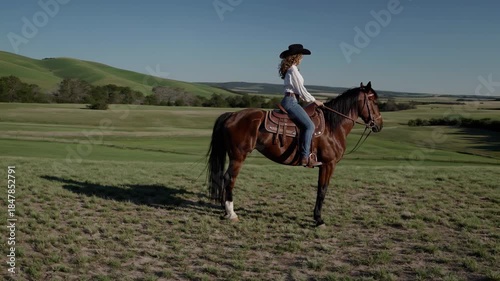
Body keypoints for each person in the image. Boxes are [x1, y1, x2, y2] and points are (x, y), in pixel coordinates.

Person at [278, 44, 323, 168]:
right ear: (297, 57)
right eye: (301, 56)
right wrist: (314, 101)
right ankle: (305, 157)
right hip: (291, 101)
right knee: (309, 126)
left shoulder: (291, 69)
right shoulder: (293, 70)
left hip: (291, 100)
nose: (302, 58)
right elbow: (301, 89)